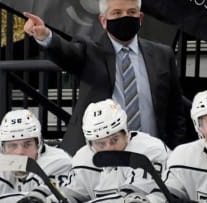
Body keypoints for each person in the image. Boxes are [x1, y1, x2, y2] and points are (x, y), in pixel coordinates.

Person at [23, 0, 186, 155]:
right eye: (117, 13)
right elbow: (68, 53)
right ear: (103, 20)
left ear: (140, 17)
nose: (125, 17)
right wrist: (46, 37)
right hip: (99, 152)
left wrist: (176, 153)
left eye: (131, 12)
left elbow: (175, 112)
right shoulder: (90, 50)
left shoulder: (162, 54)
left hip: (151, 152)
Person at [19, 99, 170, 203]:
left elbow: (133, 199)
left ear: (126, 132)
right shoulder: (84, 156)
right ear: (90, 143)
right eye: (101, 143)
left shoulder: (150, 150)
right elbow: (73, 192)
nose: (109, 148)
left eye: (115, 140)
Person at [0, 109, 72, 202]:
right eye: (12, 145)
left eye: (27, 144)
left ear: (39, 145)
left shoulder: (59, 163)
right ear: (2, 149)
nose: (20, 152)